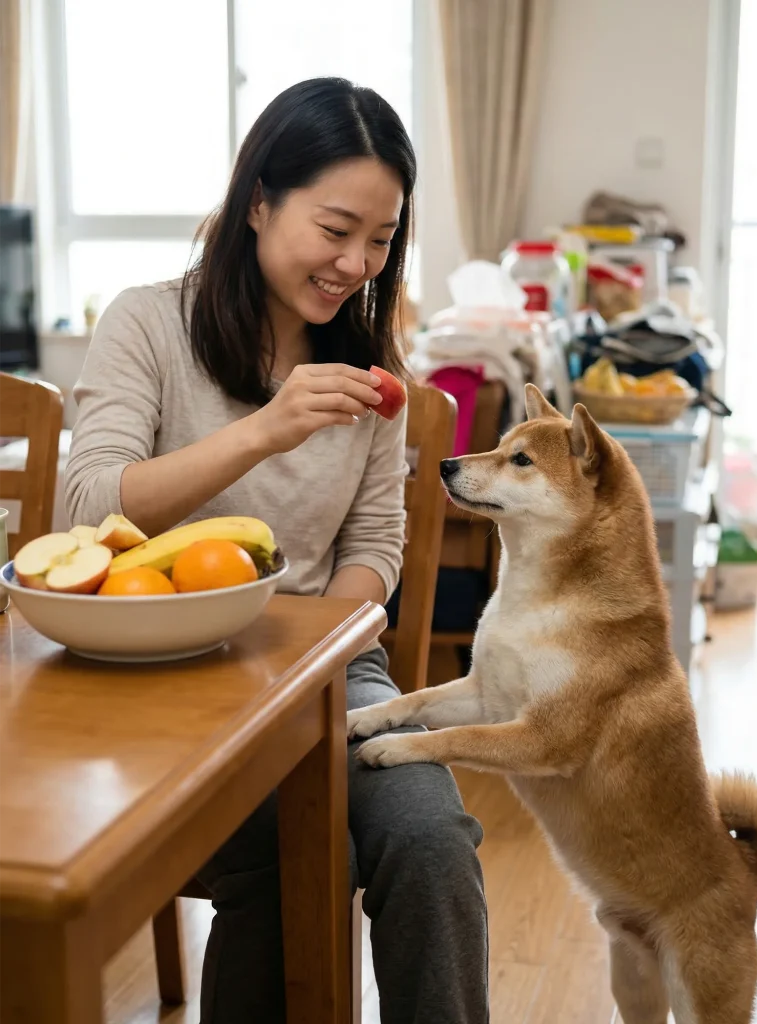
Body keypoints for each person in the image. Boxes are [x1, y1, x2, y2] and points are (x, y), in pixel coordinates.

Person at [64, 77, 488, 1024]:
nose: (355, 263)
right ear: (260, 200)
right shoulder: (147, 324)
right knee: (286, 852)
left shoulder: (374, 373)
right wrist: (264, 429)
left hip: (332, 669)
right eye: (335, 229)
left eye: (380, 240)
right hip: (158, 673)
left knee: (430, 837)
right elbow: (88, 503)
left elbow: (377, 544)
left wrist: (319, 660)